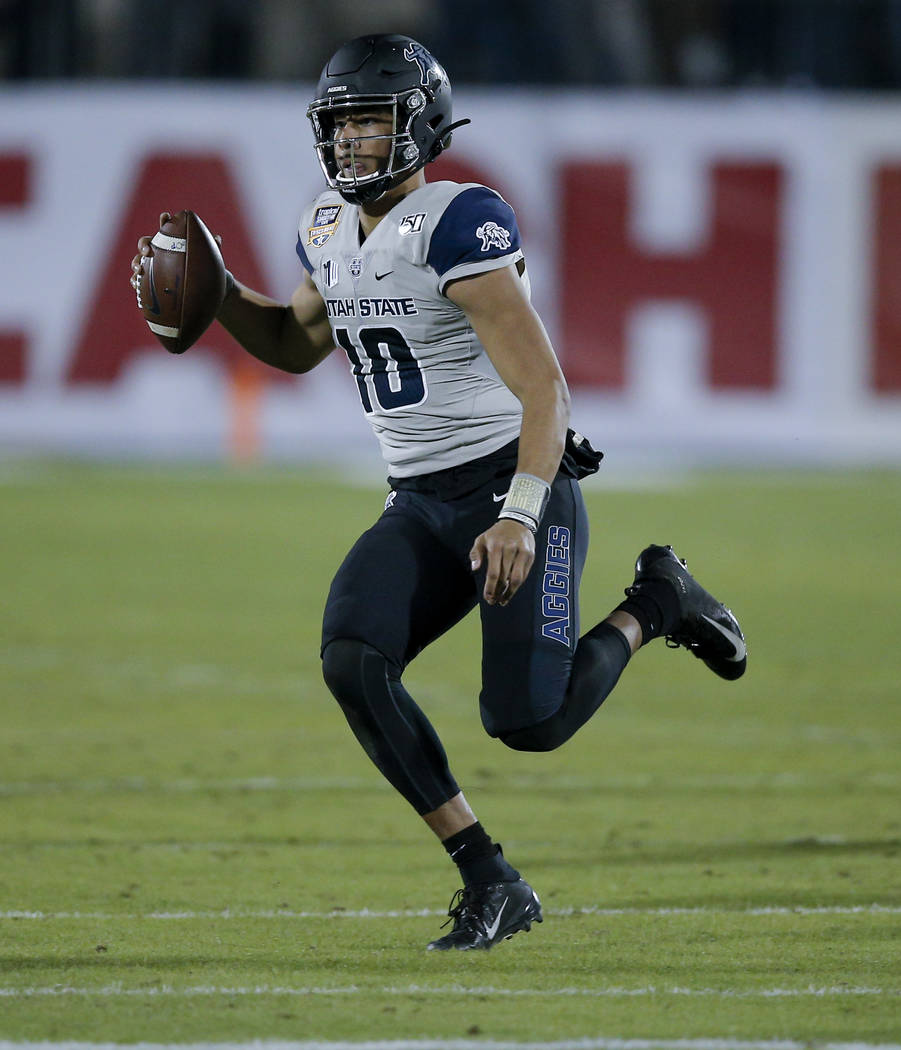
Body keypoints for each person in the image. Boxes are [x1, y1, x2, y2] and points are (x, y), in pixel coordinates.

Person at [130, 33, 747, 952]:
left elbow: (547, 390)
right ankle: (489, 875)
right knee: (353, 655)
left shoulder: (458, 221)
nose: (349, 145)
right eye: (337, 126)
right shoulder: (328, 230)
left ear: (418, 125)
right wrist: (219, 296)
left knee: (529, 723)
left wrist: (520, 514)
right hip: (419, 500)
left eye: (369, 124)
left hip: (512, 484)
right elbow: (297, 345)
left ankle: (659, 599)